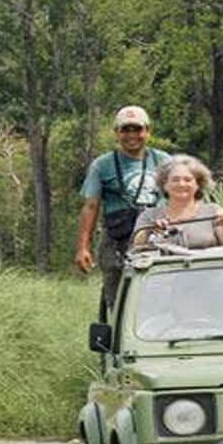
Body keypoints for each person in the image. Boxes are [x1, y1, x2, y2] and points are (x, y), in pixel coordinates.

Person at [74, 105, 171, 308]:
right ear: (116, 133)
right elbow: (91, 206)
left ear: (148, 131)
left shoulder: (164, 161)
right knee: (118, 301)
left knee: (160, 298)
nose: (132, 135)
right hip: (117, 241)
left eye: (137, 129)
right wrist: (83, 247)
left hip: (157, 237)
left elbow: (182, 197)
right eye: (125, 130)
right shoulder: (102, 165)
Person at [131, 155, 223, 250]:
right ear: (164, 185)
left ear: (198, 185)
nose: (181, 184)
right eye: (175, 180)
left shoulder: (213, 211)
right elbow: (136, 247)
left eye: (188, 180)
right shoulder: (149, 215)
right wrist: (149, 231)